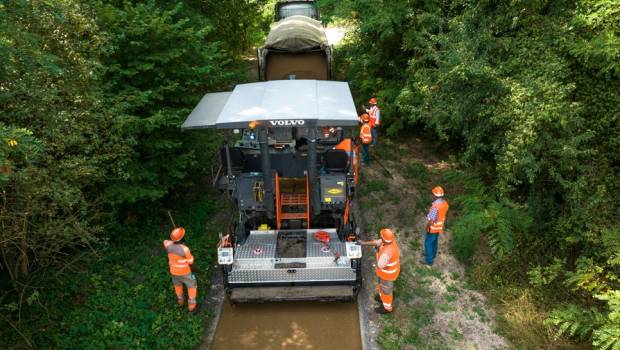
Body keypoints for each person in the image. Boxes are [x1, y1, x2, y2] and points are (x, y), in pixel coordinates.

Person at [360, 228, 401, 314]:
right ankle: (381, 296)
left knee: (386, 291)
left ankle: (387, 308)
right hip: (386, 273)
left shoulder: (386, 253)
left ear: (384, 239)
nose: (380, 237)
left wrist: (377, 252)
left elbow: (380, 265)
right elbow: (377, 242)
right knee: (381, 286)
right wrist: (362, 243)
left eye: (381, 236)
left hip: (388, 275)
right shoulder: (389, 241)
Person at [163, 227, 198, 312]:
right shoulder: (185, 249)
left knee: (177, 286)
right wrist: (182, 244)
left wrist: (175, 240)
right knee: (192, 286)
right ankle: (191, 305)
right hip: (185, 272)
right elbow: (190, 261)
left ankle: (180, 301)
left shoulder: (167, 245)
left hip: (173, 271)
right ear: (182, 238)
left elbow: (165, 241)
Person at [422, 186, 449, 266]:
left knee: (428, 243)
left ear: (435, 195)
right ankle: (432, 255)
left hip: (433, 228)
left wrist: (427, 227)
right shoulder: (445, 204)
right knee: (434, 241)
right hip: (439, 227)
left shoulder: (435, 207)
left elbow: (431, 220)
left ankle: (429, 260)